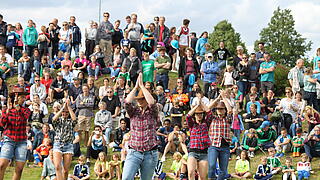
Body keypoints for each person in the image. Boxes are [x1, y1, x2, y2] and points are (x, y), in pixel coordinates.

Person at [122, 73, 159, 180]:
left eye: (142, 99)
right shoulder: (133, 112)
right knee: (126, 178)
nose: (139, 101)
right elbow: (127, 102)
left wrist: (143, 86)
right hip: (134, 152)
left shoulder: (153, 112)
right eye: (138, 99)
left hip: (150, 153)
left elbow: (152, 103)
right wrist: (136, 87)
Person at [0, 89, 31, 180]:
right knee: (1, 165)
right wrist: (8, 111)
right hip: (9, 139)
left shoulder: (26, 110)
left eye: (24, 97)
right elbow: (2, 124)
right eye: (22, 97)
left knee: (19, 169)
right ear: (15, 98)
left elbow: (25, 117)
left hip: (21, 141)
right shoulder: (7, 110)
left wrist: (18, 108)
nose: (24, 99)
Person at [51, 98, 77, 180]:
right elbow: (53, 119)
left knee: (65, 170)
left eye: (66, 112)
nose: (64, 113)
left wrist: (68, 107)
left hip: (68, 144)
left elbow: (75, 119)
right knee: (57, 166)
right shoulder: (58, 120)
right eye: (63, 112)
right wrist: (62, 108)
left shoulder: (70, 121)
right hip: (58, 143)